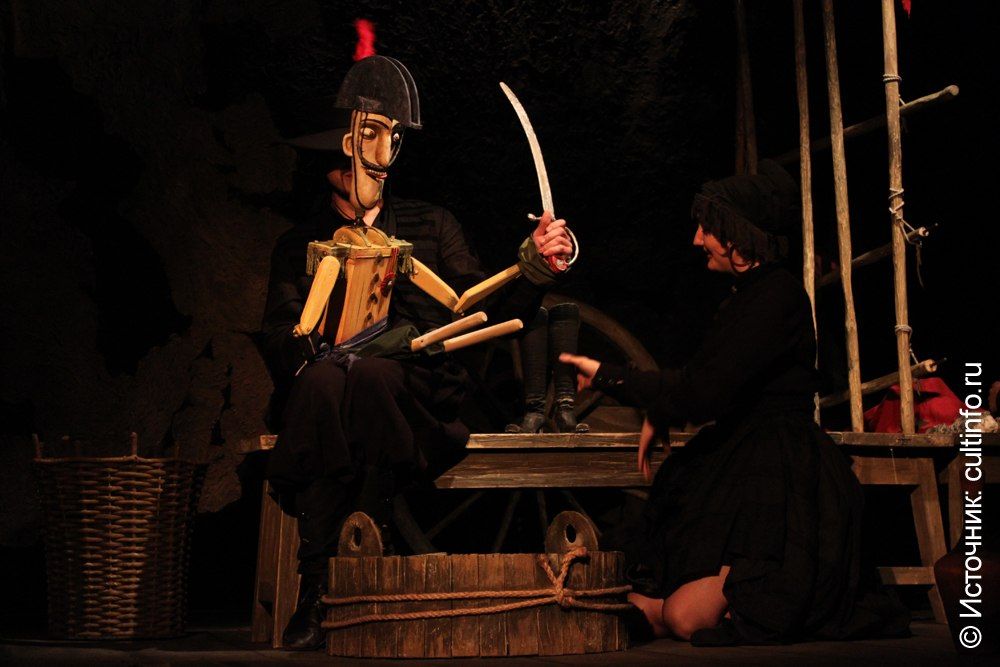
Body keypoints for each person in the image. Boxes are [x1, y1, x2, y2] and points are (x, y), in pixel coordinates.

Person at [260, 55, 575, 649]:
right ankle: (318, 584)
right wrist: (306, 340)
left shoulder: (431, 225)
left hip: (417, 386)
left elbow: (481, 305)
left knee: (373, 378)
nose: (366, 165)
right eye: (353, 152)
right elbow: (278, 333)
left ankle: (368, 549)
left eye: (381, 147)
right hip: (330, 389)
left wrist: (533, 266)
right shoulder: (301, 244)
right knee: (325, 383)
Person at [560, 160, 909, 645]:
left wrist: (612, 377)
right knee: (645, 595)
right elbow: (703, 381)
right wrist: (661, 404)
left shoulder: (776, 297)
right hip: (739, 452)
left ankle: (680, 610)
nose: (697, 239)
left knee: (685, 617)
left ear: (737, 236)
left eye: (707, 229)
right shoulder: (745, 298)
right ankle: (664, 609)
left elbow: (704, 390)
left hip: (777, 470)